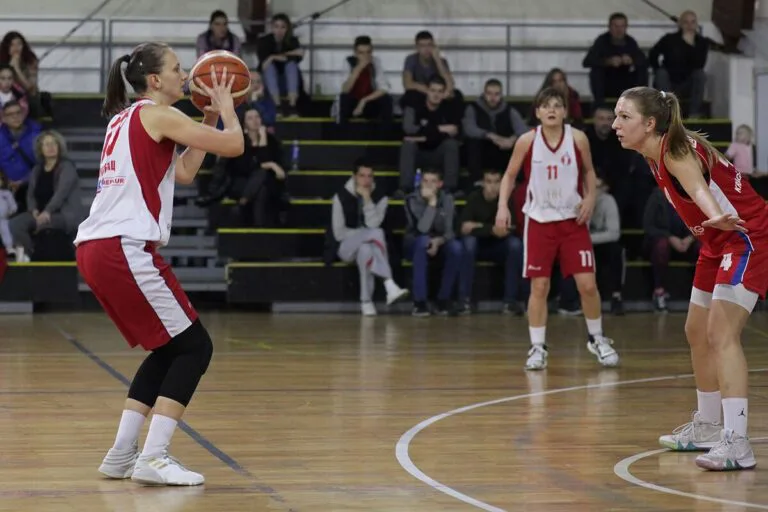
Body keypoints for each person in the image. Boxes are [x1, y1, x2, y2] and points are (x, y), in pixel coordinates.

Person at [74, 42, 244, 486]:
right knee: (195, 348)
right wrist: (227, 105)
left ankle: (121, 454)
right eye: (177, 68)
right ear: (154, 80)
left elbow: (183, 173)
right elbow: (235, 145)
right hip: (122, 247)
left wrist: (207, 116)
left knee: (170, 348)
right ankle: (154, 456)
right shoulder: (159, 114)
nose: (185, 75)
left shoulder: (127, 119)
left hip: (98, 249)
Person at [612, 86, 768, 471]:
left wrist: (715, 215)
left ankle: (737, 442)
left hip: (745, 237)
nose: (616, 124)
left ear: (650, 123)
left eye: (624, 117)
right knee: (696, 331)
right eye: (616, 115)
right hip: (716, 242)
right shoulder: (654, 152)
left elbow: (698, 188)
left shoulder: (675, 151)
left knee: (721, 334)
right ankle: (709, 426)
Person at [495, 87, 619, 371]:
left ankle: (597, 338)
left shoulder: (578, 138)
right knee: (539, 286)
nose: (551, 109)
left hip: (572, 221)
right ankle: (537, 346)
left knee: (587, 285)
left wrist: (590, 198)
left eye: (557, 105)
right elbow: (510, 175)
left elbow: (589, 171)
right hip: (539, 222)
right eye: (546, 105)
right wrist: (502, 207)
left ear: (565, 111)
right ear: (538, 112)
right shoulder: (527, 140)